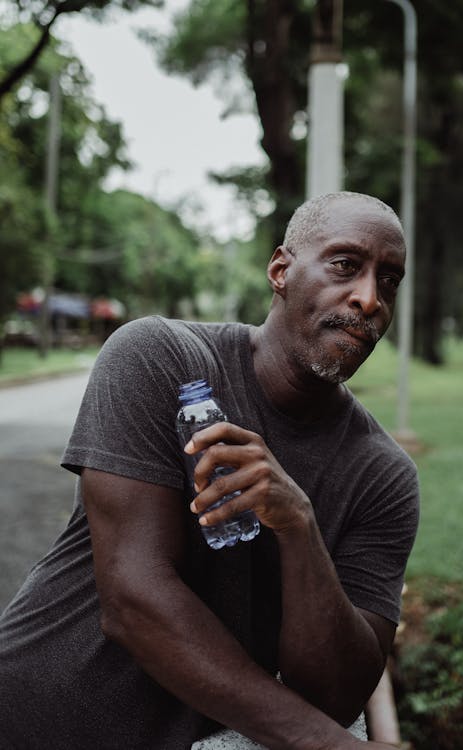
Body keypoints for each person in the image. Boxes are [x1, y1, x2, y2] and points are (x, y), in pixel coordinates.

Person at [0, 191, 419, 750]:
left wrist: (299, 527)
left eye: (389, 280)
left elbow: (339, 692)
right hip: (42, 719)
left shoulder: (383, 475)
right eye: (345, 265)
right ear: (281, 270)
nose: (369, 299)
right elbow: (133, 599)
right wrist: (328, 744)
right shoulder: (161, 357)